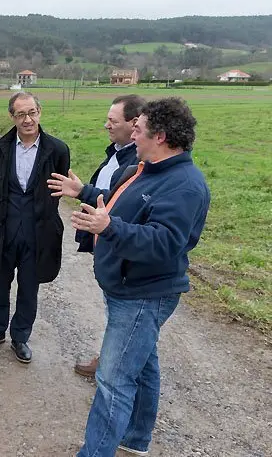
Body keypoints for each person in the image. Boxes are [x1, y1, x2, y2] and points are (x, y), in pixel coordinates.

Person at [72, 98, 210, 456]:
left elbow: (164, 242)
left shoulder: (184, 185)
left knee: (113, 381)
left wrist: (109, 228)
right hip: (127, 287)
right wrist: (84, 193)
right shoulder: (148, 169)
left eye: (139, 129)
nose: (132, 133)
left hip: (143, 295)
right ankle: (135, 439)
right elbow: (121, 203)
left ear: (160, 136)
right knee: (143, 364)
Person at [47, 94, 145, 377]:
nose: (106, 125)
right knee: (115, 312)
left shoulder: (136, 160)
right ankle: (116, 361)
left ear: (134, 123)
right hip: (107, 241)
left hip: (118, 245)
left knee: (120, 315)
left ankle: (112, 367)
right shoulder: (117, 152)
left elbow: (118, 201)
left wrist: (82, 192)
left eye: (113, 121)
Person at [0, 92, 70, 363]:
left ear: (39, 112)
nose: (27, 120)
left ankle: (20, 337)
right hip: (4, 228)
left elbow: (58, 189)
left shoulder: (58, 150)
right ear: (12, 117)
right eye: (21, 114)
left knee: (29, 286)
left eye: (32, 112)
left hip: (38, 232)